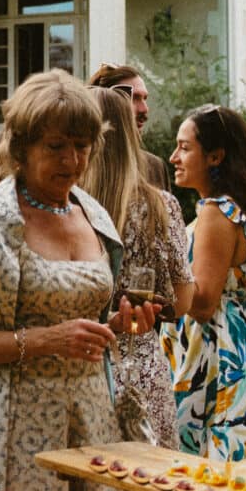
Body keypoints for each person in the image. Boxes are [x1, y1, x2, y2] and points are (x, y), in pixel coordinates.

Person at [0, 71, 158, 491]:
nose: (71, 159)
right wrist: (45, 340)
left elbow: (81, 320)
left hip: (92, 419)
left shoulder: (91, 213)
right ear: (23, 148)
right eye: (55, 146)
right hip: (16, 432)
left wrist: (115, 325)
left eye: (82, 145)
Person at [161, 107, 246, 462]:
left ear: (215, 156)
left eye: (184, 148)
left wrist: (155, 291)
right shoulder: (238, 207)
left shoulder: (216, 212)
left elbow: (202, 302)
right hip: (236, 346)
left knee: (203, 475)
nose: (174, 157)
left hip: (212, 357)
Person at [82, 88, 192, 450]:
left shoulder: (67, 205)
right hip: (140, 363)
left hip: (81, 364)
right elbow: (183, 299)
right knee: (150, 487)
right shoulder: (161, 206)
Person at [88, 64, 170, 193]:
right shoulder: (80, 164)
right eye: (134, 98)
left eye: (144, 99)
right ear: (105, 101)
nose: (144, 109)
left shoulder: (155, 167)